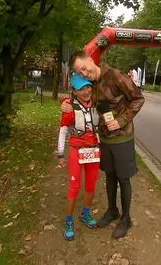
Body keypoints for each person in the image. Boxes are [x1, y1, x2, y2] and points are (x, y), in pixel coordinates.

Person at [62, 51, 145, 239]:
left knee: (123, 179)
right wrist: (65, 105)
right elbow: (78, 97)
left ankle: (126, 219)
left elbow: (138, 98)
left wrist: (122, 120)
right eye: (79, 72)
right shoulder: (90, 84)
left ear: (91, 60)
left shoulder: (115, 76)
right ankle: (112, 211)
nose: (84, 74)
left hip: (122, 137)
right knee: (109, 176)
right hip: (104, 140)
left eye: (84, 68)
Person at [57, 74, 100, 241]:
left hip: (93, 151)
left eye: (88, 86)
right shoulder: (69, 108)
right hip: (76, 150)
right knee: (74, 187)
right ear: (74, 92)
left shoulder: (96, 104)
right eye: (82, 88)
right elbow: (62, 131)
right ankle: (68, 221)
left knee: (90, 185)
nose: (86, 90)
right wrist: (60, 154)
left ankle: (85, 213)